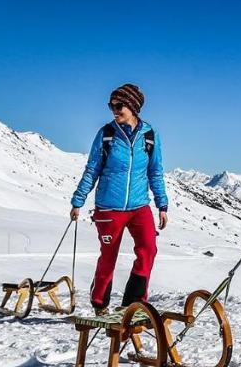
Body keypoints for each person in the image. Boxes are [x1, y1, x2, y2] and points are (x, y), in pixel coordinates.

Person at [69, 84, 170, 316]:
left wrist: (162, 205)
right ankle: (99, 303)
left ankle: (133, 303)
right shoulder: (106, 135)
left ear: (133, 106)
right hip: (109, 208)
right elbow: (92, 169)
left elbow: (155, 171)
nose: (114, 110)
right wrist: (78, 201)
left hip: (139, 206)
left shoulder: (149, 135)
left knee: (148, 249)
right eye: (111, 105)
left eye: (118, 105)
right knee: (109, 255)